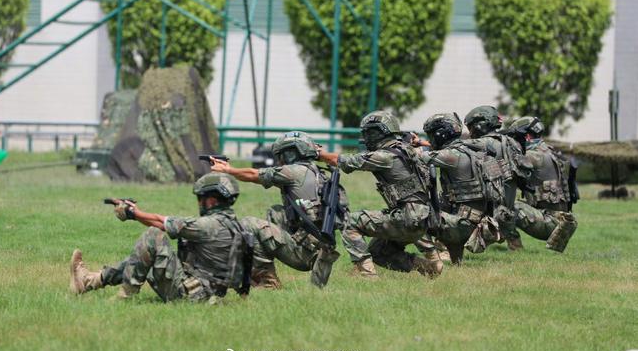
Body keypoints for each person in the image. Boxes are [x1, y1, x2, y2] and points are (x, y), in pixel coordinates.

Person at [69, 173, 253, 302]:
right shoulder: (236, 226)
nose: (199, 202)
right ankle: (89, 281)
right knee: (144, 258)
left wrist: (131, 212)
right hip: (209, 294)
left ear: (211, 200)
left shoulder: (210, 225)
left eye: (200, 198)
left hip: (191, 296)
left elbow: (160, 223)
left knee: (153, 236)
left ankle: (125, 296)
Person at [209, 131, 343, 288]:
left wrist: (228, 170)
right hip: (318, 247)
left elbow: (254, 174)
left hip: (305, 253)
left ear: (292, 153)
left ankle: (267, 283)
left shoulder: (294, 172)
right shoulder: (317, 173)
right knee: (276, 212)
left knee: (248, 224)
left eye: (281, 155)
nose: (279, 160)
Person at [318, 110, 442, 278]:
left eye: (370, 132)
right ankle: (429, 268)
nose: (367, 137)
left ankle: (367, 276)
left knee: (349, 222)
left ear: (381, 132)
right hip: (422, 220)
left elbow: (341, 161)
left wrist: (318, 153)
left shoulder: (385, 156)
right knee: (378, 252)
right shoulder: (407, 150)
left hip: (408, 219)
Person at [420, 113, 506, 264]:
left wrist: (402, 145)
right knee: (443, 199)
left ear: (441, 134)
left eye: (431, 135)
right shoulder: (471, 150)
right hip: (480, 223)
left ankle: (432, 259)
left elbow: (418, 158)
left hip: (463, 226)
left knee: (414, 216)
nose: (430, 139)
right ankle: (455, 259)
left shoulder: (451, 155)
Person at [505, 116, 578, 252]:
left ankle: (515, 249)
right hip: (564, 223)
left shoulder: (533, 156)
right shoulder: (552, 153)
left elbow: (505, 172)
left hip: (551, 223)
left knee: (504, 208)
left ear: (526, 137)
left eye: (516, 138)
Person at [464, 105, 531, 250]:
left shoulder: (485, 143)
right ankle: (514, 243)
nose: (470, 132)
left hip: (489, 214)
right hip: (506, 213)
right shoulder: (512, 142)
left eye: (471, 127)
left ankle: (445, 249)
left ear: (480, 124)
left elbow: (452, 150)